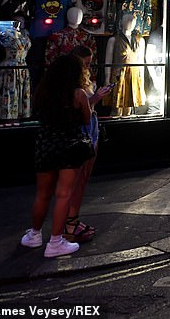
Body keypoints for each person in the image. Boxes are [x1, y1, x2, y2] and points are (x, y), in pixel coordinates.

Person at [20, 54, 93, 258]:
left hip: (45, 145)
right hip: (69, 146)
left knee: (42, 194)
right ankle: (55, 242)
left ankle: (34, 235)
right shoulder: (78, 94)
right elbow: (86, 120)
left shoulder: (44, 92)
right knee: (63, 194)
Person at [64, 46, 113, 243]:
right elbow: (84, 113)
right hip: (83, 131)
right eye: (85, 63)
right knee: (76, 181)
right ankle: (70, 223)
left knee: (82, 180)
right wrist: (96, 98)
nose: (88, 67)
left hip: (89, 128)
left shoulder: (80, 81)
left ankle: (72, 220)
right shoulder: (73, 86)